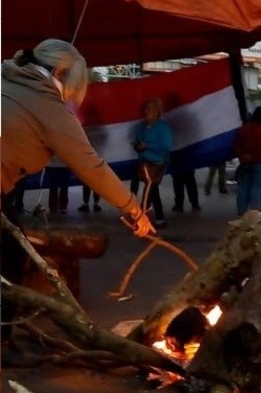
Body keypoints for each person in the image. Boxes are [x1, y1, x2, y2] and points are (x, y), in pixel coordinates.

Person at [1, 39, 153, 350]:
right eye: (74, 84)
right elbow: (91, 166)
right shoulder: (46, 104)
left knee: (13, 244)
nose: (72, 94)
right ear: (59, 72)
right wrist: (133, 208)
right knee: (10, 255)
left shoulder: (7, 75)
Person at [133, 98, 173, 228]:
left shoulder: (163, 127)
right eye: (146, 108)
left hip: (157, 163)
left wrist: (147, 146)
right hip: (144, 162)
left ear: (157, 112)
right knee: (153, 190)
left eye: (150, 109)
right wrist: (138, 146)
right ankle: (159, 219)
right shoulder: (141, 126)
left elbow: (166, 146)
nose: (147, 111)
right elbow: (137, 142)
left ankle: (141, 219)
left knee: (149, 191)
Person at [233, 106, 261, 215]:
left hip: (244, 163)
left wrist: (243, 156)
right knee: (257, 189)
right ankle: (254, 214)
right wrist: (253, 156)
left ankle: (241, 212)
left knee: (243, 188)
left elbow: (236, 145)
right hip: (259, 163)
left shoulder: (243, 129)